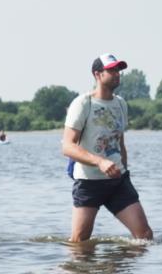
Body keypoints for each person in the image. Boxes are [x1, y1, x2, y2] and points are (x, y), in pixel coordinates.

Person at [61, 53, 152, 243]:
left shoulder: (121, 104)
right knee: (80, 243)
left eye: (118, 70)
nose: (117, 73)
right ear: (97, 74)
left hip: (118, 182)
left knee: (145, 237)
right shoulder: (83, 103)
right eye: (111, 70)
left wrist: (124, 170)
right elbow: (67, 147)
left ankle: (118, 263)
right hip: (88, 183)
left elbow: (120, 142)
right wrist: (100, 162)